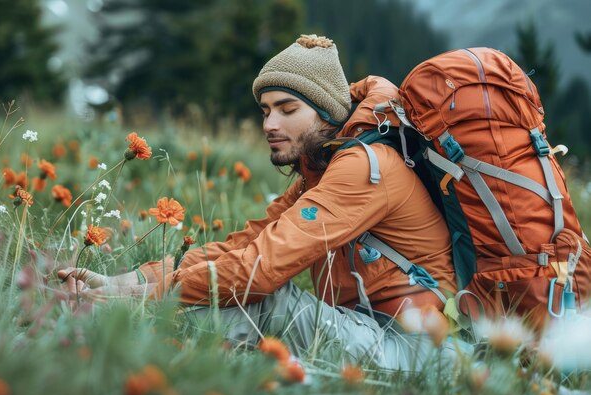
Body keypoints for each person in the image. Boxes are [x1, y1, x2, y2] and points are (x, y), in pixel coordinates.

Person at [59, 34, 458, 370]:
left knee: (266, 300)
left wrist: (144, 295)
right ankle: (105, 325)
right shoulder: (320, 172)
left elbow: (258, 272)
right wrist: (130, 280)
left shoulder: (363, 168)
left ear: (327, 114)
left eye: (287, 110)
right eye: (266, 110)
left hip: (413, 350)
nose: (270, 124)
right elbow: (243, 245)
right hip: (364, 329)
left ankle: (102, 328)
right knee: (234, 296)